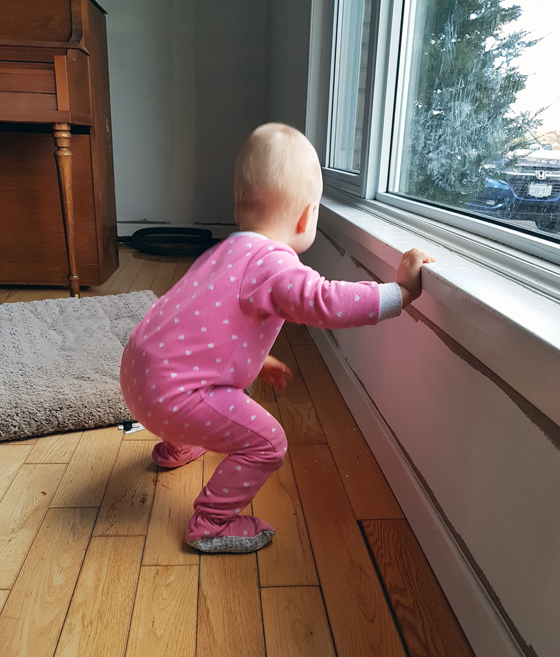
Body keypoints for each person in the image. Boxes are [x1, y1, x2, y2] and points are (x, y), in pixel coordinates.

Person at [120, 122, 436, 554]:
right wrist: (399, 293)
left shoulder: (222, 251)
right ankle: (211, 522)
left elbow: (201, 326)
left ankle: (176, 446)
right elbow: (325, 302)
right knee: (269, 442)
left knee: (200, 387)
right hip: (172, 397)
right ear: (308, 216)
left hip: (138, 377)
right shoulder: (273, 264)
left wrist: (255, 360)